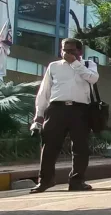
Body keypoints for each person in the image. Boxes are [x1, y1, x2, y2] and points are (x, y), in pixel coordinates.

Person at [30, 38, 99, 194]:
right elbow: (44, 92)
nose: (66, 53)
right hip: (56, 109)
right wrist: (38, 117)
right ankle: (45, 181)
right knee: (49, 146)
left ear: (79, 51)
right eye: (64, 50)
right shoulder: (54, 66)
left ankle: (77, 181)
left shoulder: (88, 65)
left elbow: (93, 78)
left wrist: (75, 63)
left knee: (80, 147)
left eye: (71, 50)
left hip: (80, 110)